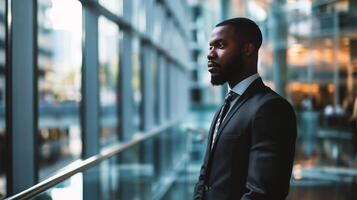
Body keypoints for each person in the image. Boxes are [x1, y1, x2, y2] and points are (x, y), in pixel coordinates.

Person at [193, 17, 297, 200]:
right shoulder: (225, 107)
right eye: (210, 47)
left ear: (247, 49)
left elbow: (263, 194)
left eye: (220, 45)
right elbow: (205, 178)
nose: (210, 54)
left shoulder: (271, 108)